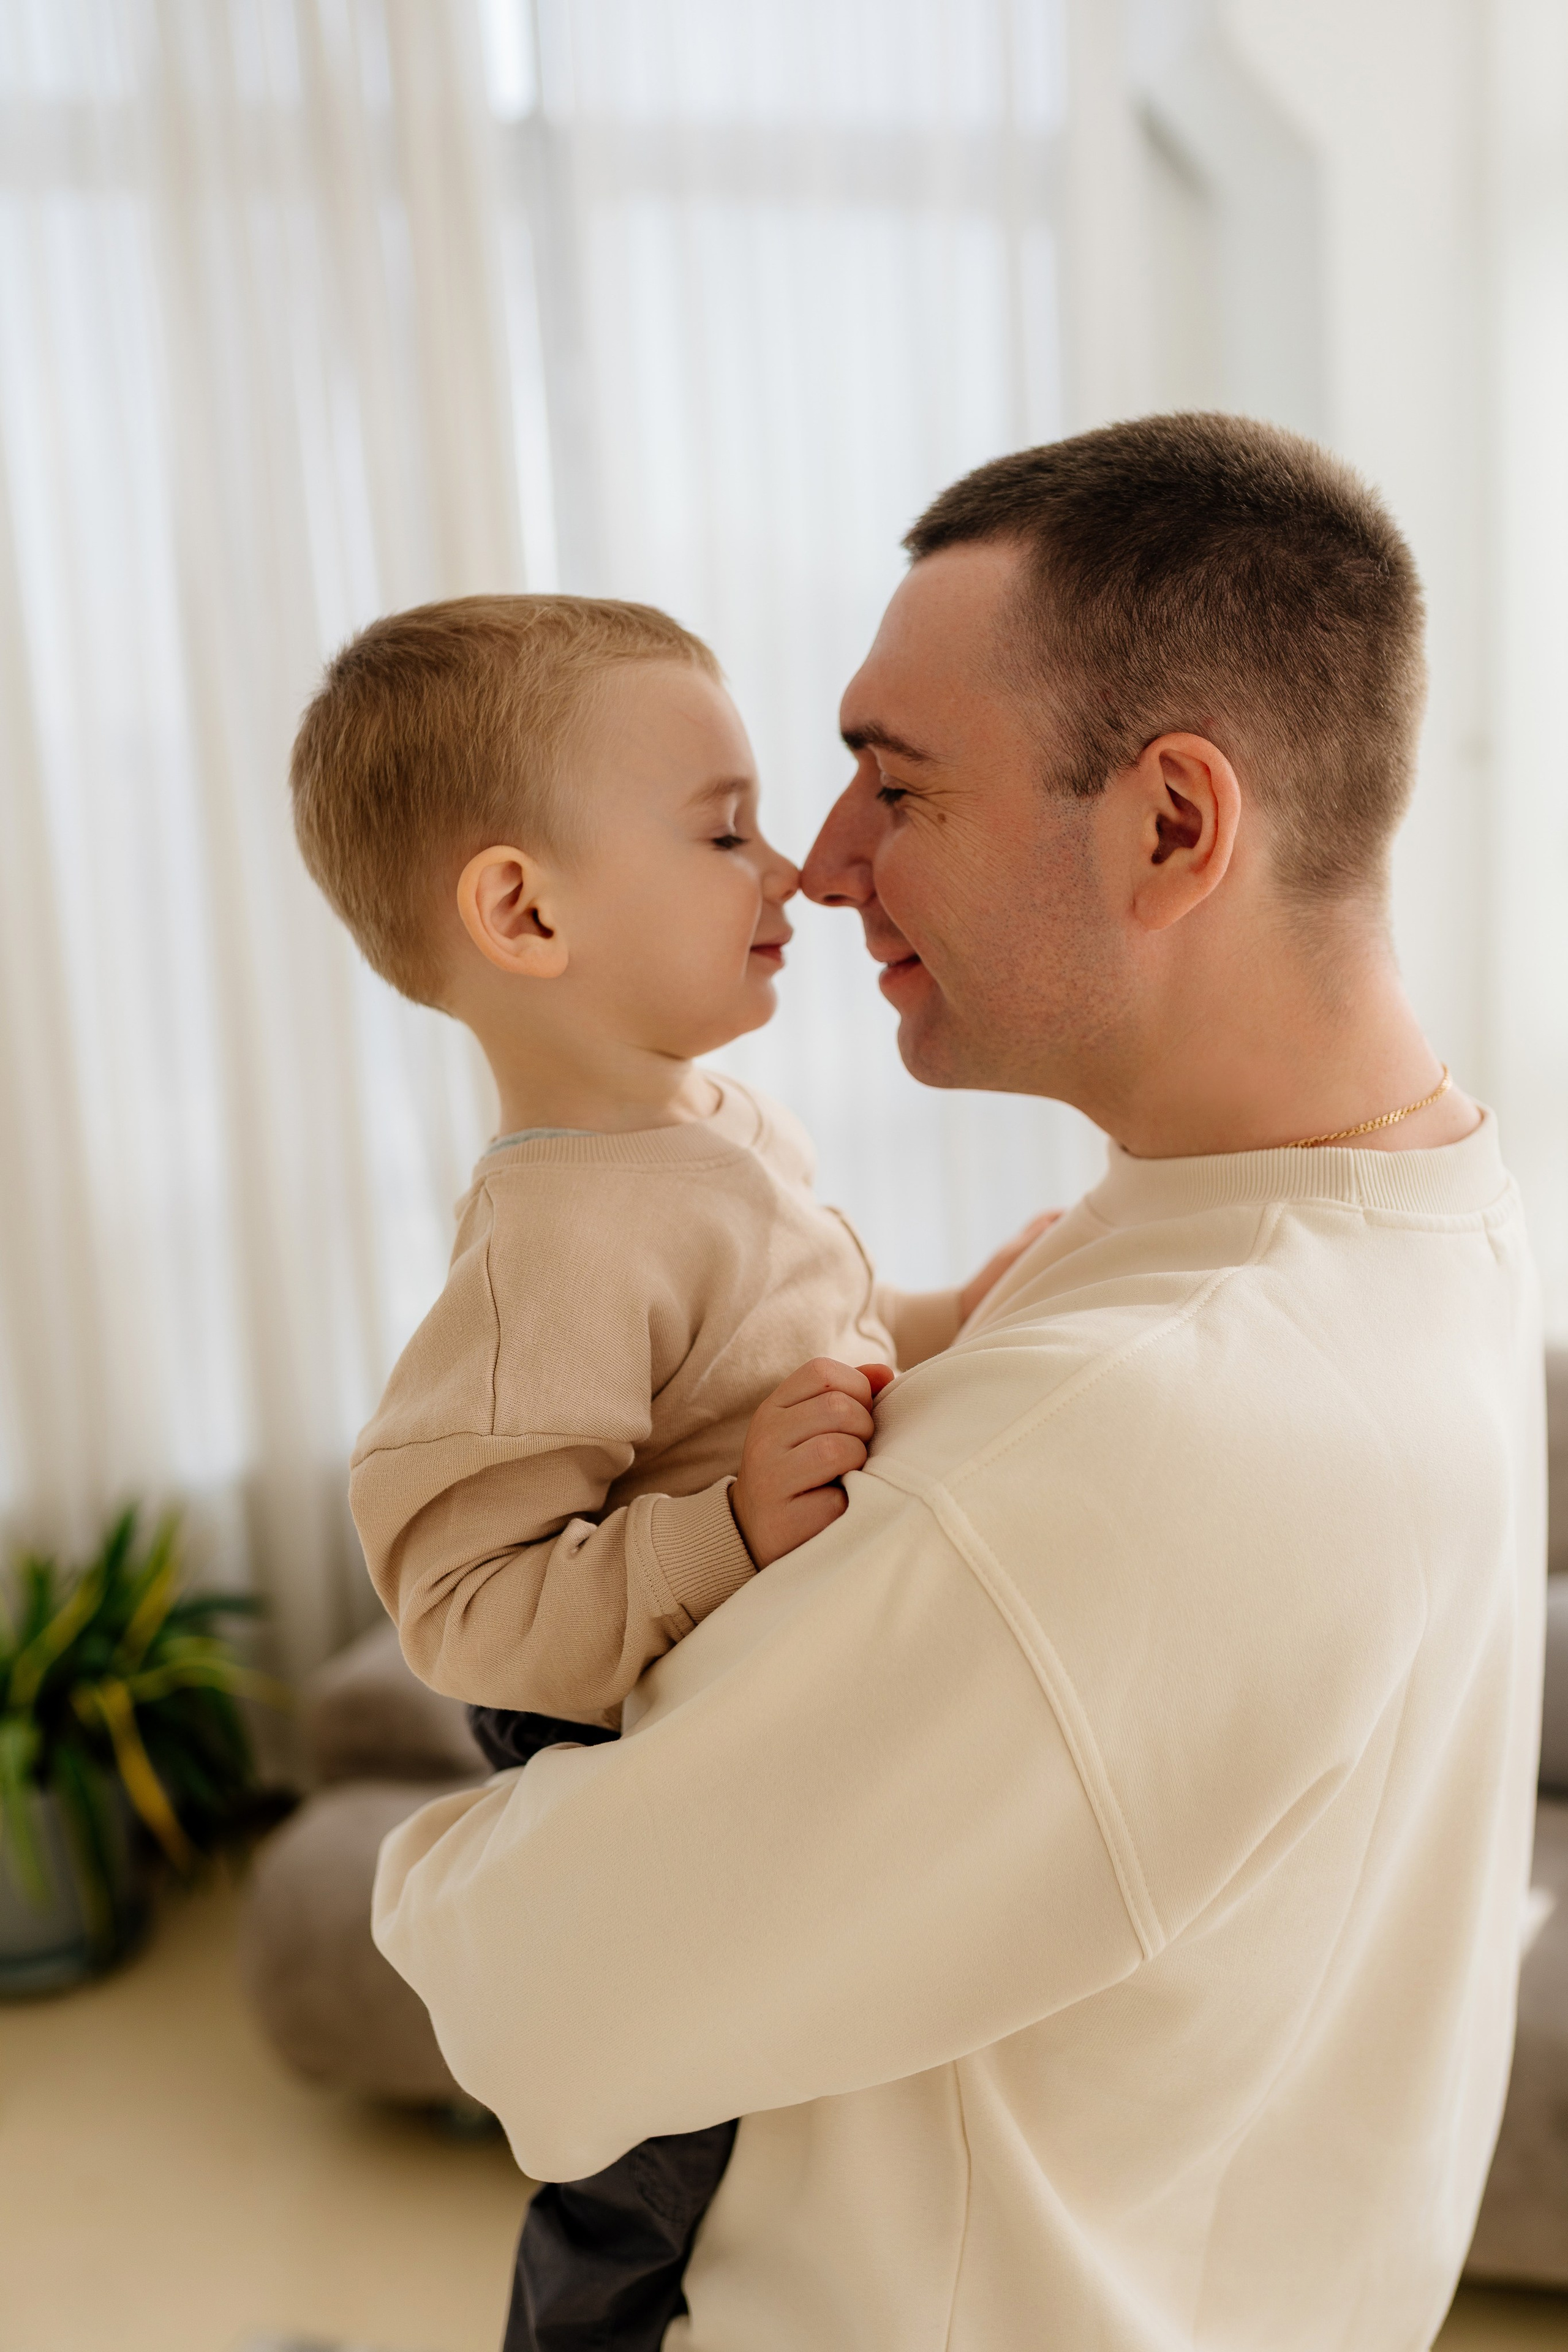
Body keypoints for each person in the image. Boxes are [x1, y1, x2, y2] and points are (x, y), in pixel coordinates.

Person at [372, 415, 1547, 2351]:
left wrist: (458, 1858)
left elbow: (512, 1991)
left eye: (895, 788)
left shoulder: (1137, 1439)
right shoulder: (1432, 1203)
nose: (823, 872)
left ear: (1174, 825)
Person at [289, 593, 1041, 2350]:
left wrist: (943, 1320)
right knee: (644, 2176)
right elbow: (465, 1612)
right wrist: (720, 1530)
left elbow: (782, 1350)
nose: (788, 872)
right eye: (724, 830)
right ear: (526, 910)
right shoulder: (550, 1245)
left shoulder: (710, 1115)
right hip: (596, 1748)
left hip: (724, 1700)